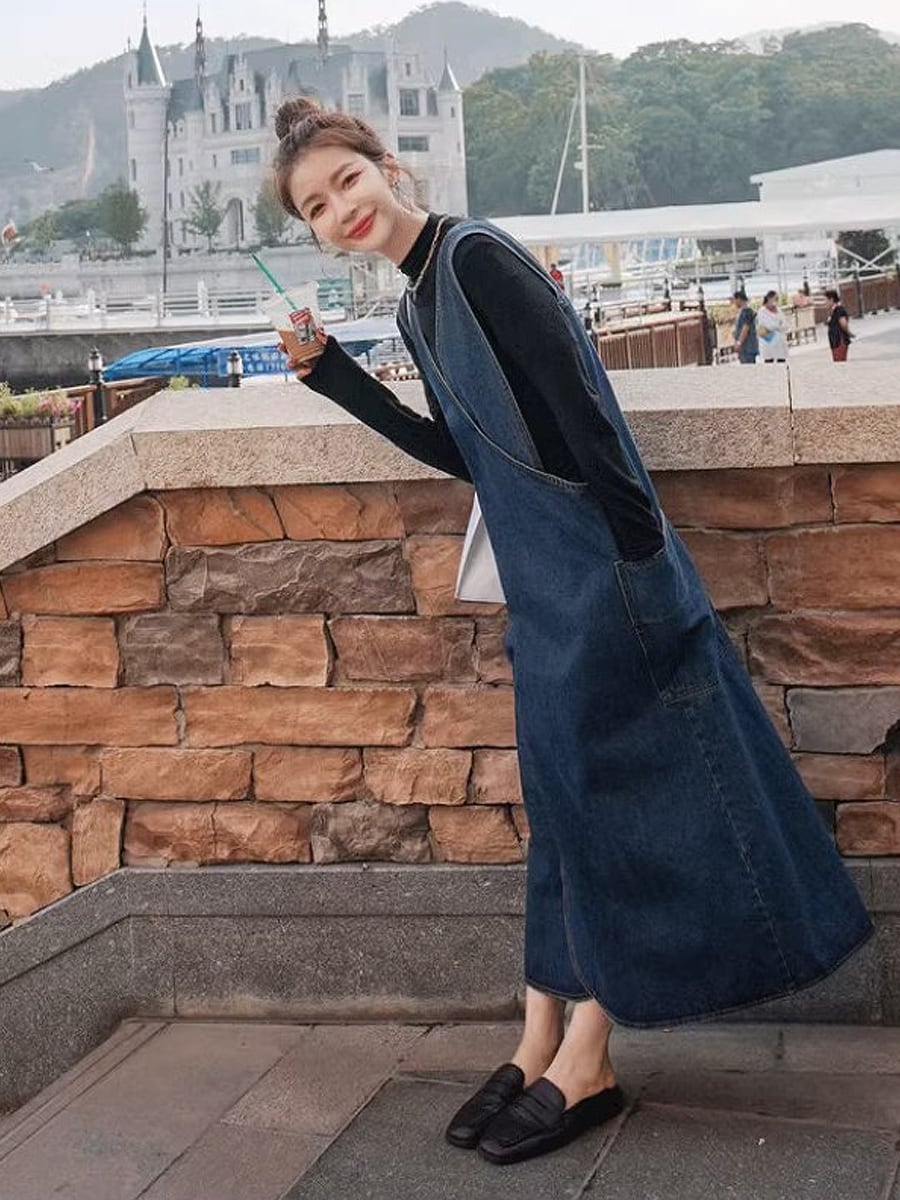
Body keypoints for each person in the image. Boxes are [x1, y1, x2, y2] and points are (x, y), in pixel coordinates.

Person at [271, 96, 873, 1167]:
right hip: (545, 584)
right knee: (562, 804)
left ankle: (588, 1055)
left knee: (615, 807)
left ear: (387, 167)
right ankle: (538, 1037)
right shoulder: (419, 304)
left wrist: (637, 566)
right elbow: (466, 453)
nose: (339, 210)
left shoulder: (478, 259)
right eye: (315, 207)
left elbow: (591, 419)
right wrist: (334, 379)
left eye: (346, 181)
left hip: (601, 574)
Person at [756, 290, 789, 363]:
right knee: (769, 361)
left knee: (781, 361)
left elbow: (785, 324)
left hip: (780, 343)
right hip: (768, 341)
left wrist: (779, 326)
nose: (776, 301)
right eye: (775, 299)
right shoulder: (762, 311)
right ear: (769, 299)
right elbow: (768, 325)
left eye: (777, 299)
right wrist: (778, 326)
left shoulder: (779, 310)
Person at [731, 289, 758, 363]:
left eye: (735, 300)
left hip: (747, 348)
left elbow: (745, 328)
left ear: (739, 299)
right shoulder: (743, 312)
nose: (734, 302)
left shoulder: (746, 312)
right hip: (745, 348)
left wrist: (739, 343)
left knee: (747, 367)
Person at [825, 288, 852, 362]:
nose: (825, 303)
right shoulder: (833, 311)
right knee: (837, 360)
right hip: (834, 341)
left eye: (826, 300)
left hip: (839, 340)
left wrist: (848, 333)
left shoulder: (839, 310)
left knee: (840, 361)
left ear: (831, 300)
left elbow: (843, 323)